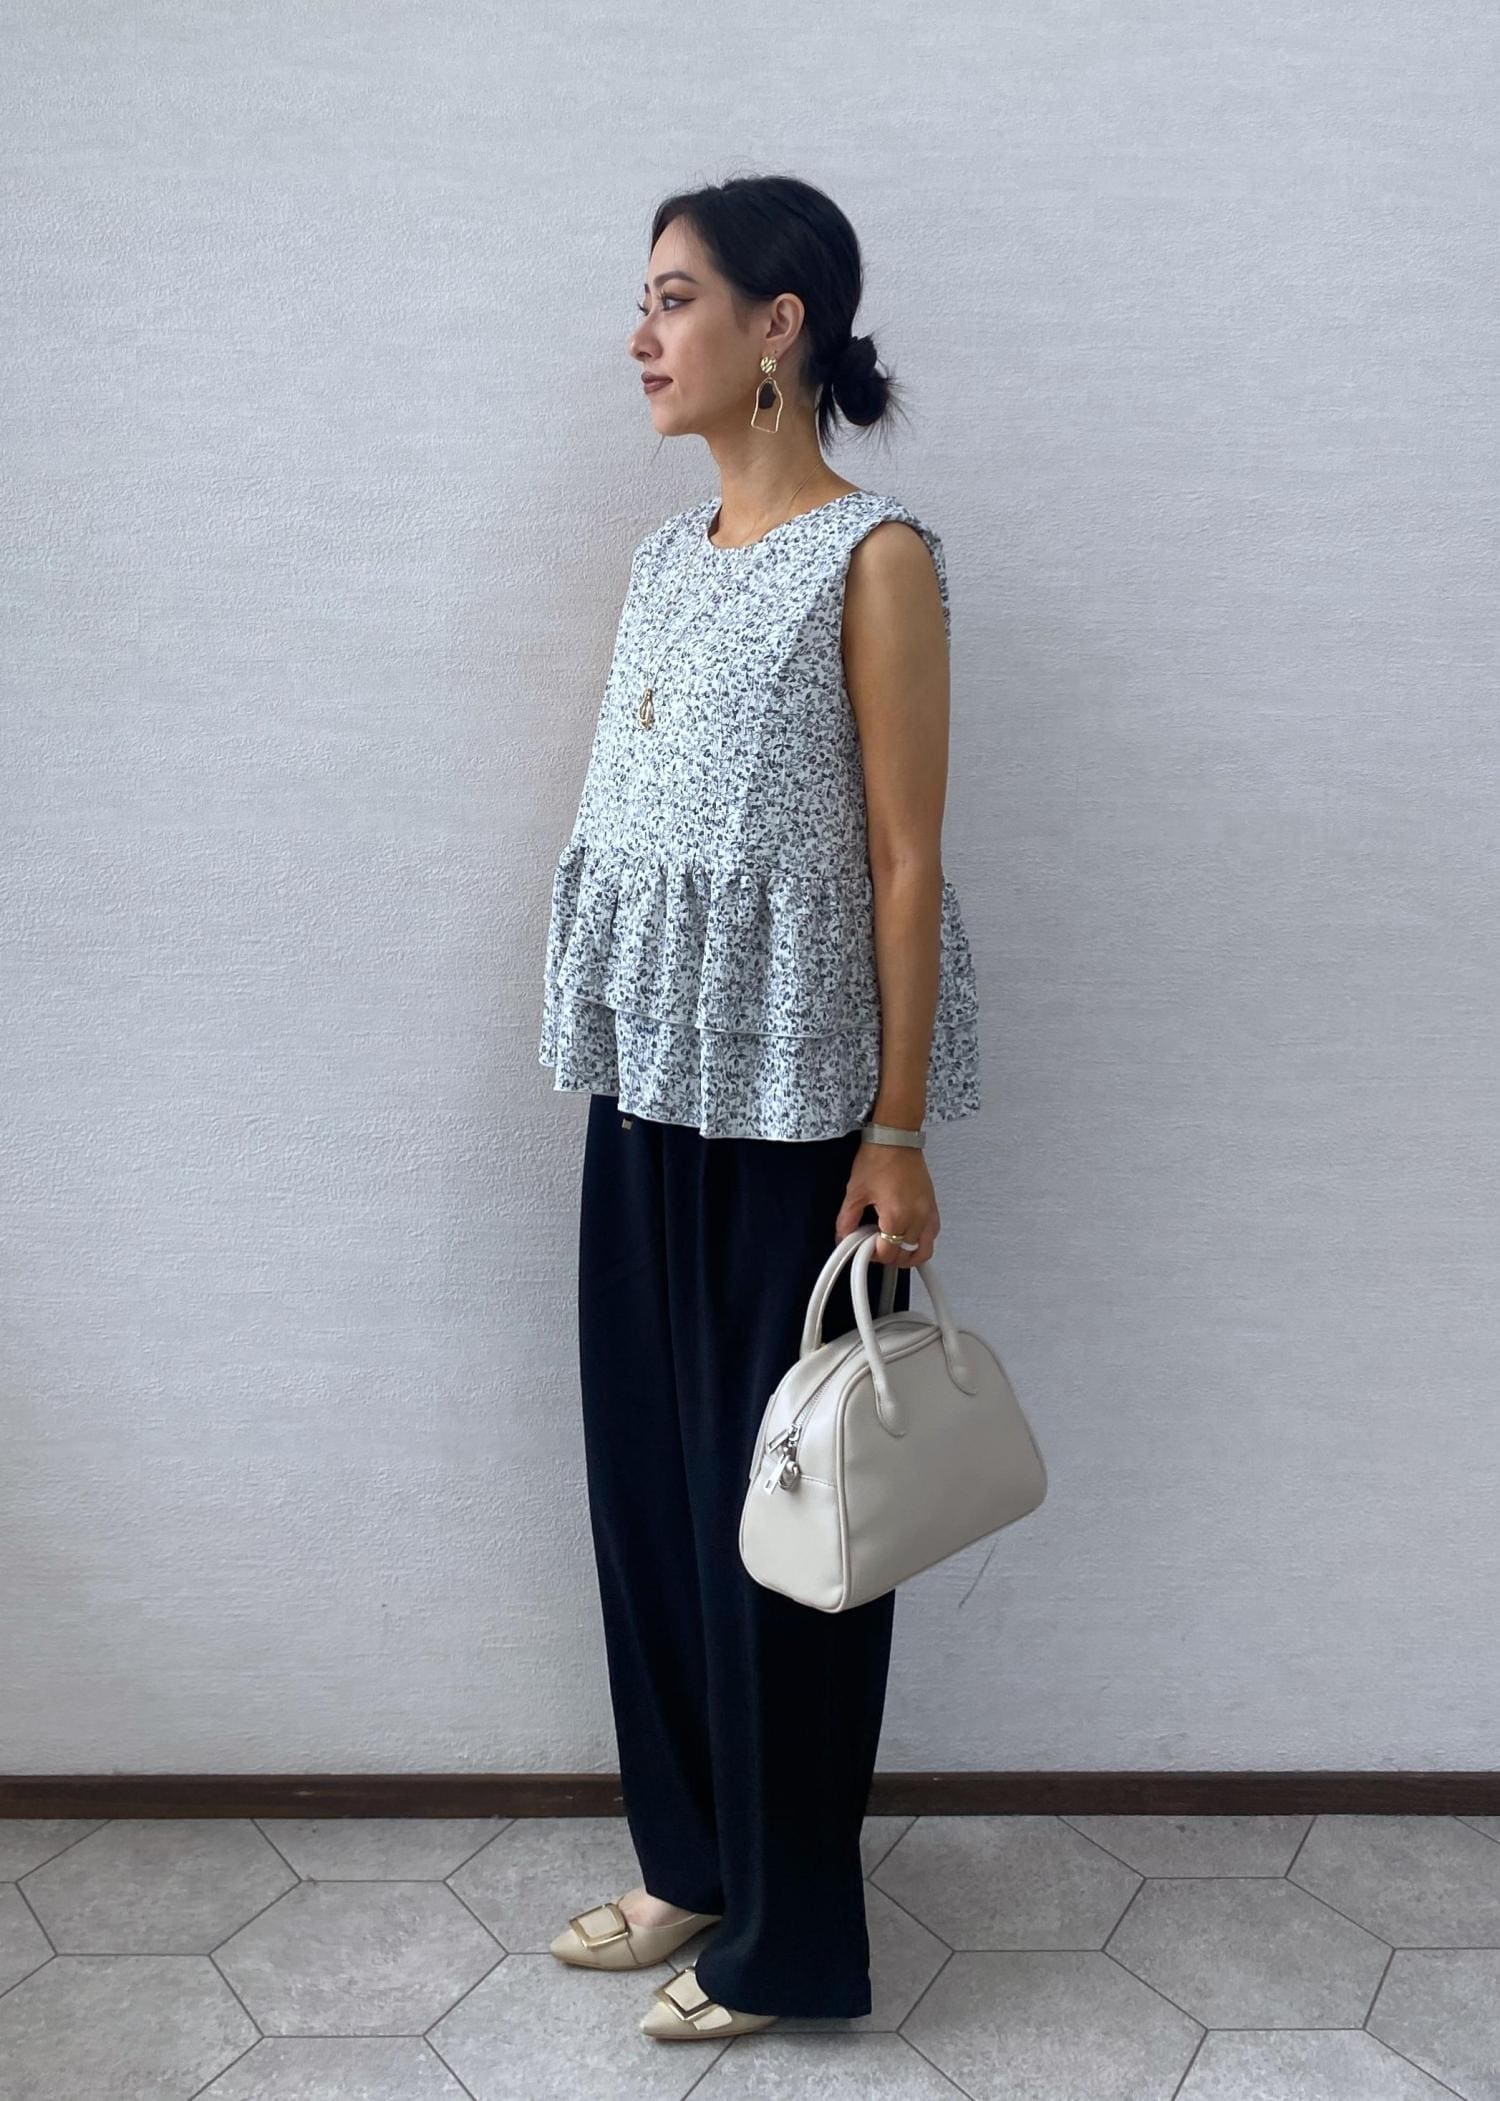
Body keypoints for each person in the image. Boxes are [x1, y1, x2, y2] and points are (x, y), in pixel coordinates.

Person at [537, 173, 982, 2041]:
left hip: (804, 1116)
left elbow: (903, 857)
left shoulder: (875, 557)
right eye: (645, 302)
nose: (642, 336)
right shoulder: (666, 558)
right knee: (651, 1494)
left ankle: (792, 1940)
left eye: (674, 298)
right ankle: (694, 1859)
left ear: (776, 324)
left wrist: (899, 1127)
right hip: (650, 1086)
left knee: (794, 1522)